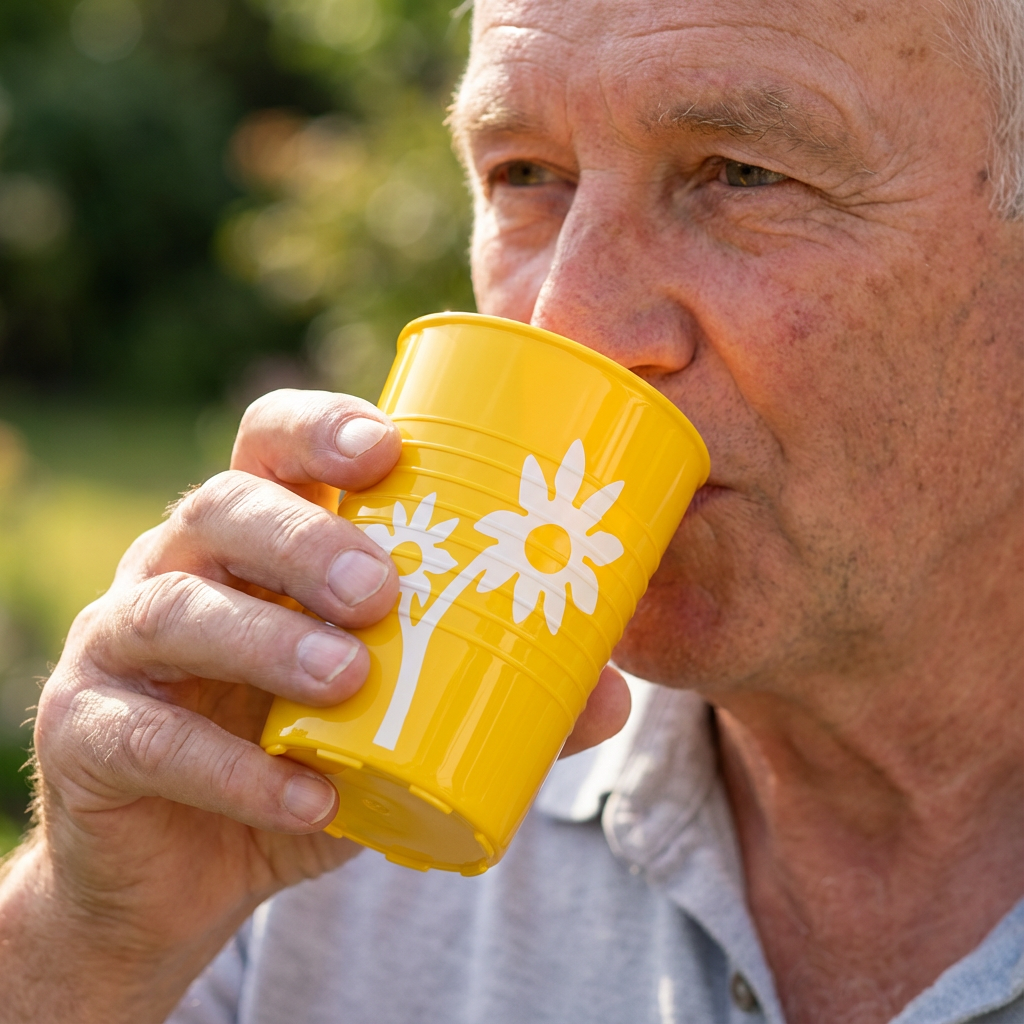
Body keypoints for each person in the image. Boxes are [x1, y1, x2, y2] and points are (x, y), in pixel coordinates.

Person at [1, 0, 1022, 1021]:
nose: (567, 319)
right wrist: (93, 938)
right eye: (525, 174)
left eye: (744, 175)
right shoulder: (320, 776)